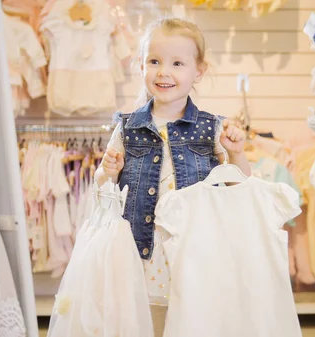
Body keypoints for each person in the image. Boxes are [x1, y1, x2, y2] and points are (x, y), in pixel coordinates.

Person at [94, 17, 251, 335]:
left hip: (195, 251)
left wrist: (236, 154)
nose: (164, 72)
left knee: (192, 322)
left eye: (177, 63)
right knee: (144, 322)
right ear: (141, 65)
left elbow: (240, 189)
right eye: (154, 61)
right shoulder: (127, 128)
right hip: (141, 253)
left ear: (199, 71)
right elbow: (103, 189)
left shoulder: (213, 129)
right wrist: (106, 173)